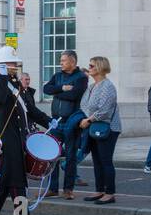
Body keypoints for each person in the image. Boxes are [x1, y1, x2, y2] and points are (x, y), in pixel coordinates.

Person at [0, 45, 50, 215]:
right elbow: (0, 100)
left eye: (14, 63)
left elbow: (30, 109)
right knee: (18, 181)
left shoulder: (16, 84)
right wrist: (2, 77)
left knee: (8, 179)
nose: (14, 66)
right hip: (6, 139)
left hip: (19, 138)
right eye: (10, 64)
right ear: (2, 65)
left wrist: (49, 121)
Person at [42, 51, 87, 199]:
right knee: (52, 155)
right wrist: (61, 88)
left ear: (73, 62)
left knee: (70, 156)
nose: (60, 63)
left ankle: (68, 189)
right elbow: (46, 89)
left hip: (71, 122)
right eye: (60, 60)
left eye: (64, 61)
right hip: (56, 122)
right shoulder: (58, 75)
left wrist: (56, 92)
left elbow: (74, 96)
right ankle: (52, 188)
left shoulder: (81, 77)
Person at [79, 57, 122, 204]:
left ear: (99, 67)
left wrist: (89, 119)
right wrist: (87, 118)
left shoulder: (107, 86)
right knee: (96, 161)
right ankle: (99, 190)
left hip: (108, 128)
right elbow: (84, 104)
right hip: (93, 126)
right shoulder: (92, 86)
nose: (89, 67)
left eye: (91, 65)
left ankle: (110, 193)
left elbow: (104, 110)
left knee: (106, 161)